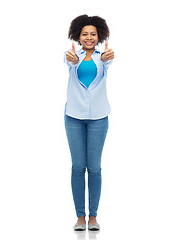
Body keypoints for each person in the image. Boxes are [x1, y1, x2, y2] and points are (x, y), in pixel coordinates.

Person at [64, 14, 114, 231]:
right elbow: (69, 61)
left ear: (99, 35)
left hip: (99, 119)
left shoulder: (104, 57)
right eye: (85, 34)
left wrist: (105, 59)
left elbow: (108, 61)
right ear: (78, 36)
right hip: (73, 117)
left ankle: (93, 216)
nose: (89, 37)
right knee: (77, 167)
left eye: (93, 34)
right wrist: (73, 61)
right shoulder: (71, 55)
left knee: (94, 168)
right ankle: (80, 217)